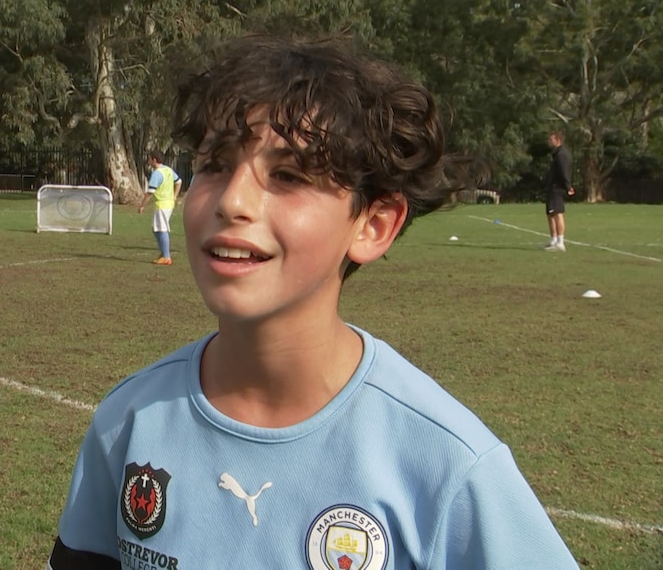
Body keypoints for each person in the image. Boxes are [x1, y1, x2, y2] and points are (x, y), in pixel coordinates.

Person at [48, 35, 579, 569]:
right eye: (215, 165)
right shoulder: (128, 421)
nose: (233, 200)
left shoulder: (448, 465)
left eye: (288, 175)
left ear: (373, 225)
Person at [138, 151, 182, 265]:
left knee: (162, 229)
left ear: (154, 160)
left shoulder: (157, 173)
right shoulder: (168, 170)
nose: (148, 161)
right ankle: (164, 252)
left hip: (162, 204)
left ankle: (166, 257)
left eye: (149, 159)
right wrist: (175, 196)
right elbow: (179, 181)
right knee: (156, 228)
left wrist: (142, 205)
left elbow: (150, 192)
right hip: (167, 203)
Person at [543, 131, 574, 251]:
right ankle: (553, 240)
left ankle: (560, 242)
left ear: (558, 140)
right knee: (551, 213)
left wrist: (568, 186)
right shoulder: (556, 153)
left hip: (557, 188)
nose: (549, 142)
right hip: (552, 187)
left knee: (557, 213)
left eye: (551, 140)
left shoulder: (562, 154)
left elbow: (564, 172)